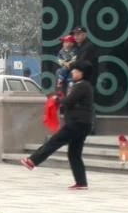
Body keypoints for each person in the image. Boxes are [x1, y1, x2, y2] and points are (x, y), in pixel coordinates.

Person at [20, 61, 94, 190]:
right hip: (84, 123)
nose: (73, 72)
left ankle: (32, 161)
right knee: (74, 153)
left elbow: (69, 101)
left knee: (54, 141)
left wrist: (57, 99)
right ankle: (81, 182)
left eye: (75, 70)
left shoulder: (81, 86)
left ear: (82, 73)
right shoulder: (85, 85)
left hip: (76, 122)